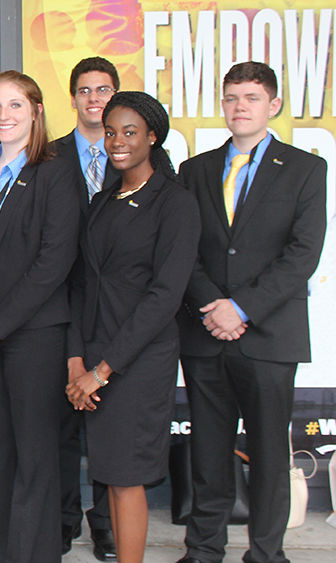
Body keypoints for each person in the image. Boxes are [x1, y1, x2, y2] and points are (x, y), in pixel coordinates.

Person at [176, 62, 327, 563]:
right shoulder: (193, 170)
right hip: (205, 333)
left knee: (267, 456)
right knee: (209, 455)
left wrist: (241, 308)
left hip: (268, 335)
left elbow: (303, 254)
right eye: (232, 98)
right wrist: (212, 306)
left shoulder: (307, 169)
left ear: (274, 105)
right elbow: (183, 250)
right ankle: (203, 550)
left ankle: (266, 552)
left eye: (252, 98)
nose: (240, 107)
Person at [0, 70, 80, 563]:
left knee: (34, 458)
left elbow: (54, 261)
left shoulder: (55, 171)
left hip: (32, 334)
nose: (4, 115)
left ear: (36, 111)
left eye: (15, 106)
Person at [65, 91, 200, 563]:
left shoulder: (175, 204)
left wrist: (101, 371)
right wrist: (76, 360)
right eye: (110, 132)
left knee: (126, 477)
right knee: (110, 474)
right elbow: (82, 284)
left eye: (129, 132)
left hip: (138, 362)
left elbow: (164, 298)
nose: (117, 141)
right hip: (96, 359)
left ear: (152, 137)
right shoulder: (103, 201)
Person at [51, 56, 120, 560]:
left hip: (113, 310)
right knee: (59, 423)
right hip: (54, 304)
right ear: (72, 98)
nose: (94, 99)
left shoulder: (138, 157)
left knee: (109, 423)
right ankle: (61, 519)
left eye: (103, 90)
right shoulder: (48, 157)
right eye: (84, 90)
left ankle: (107, 523)